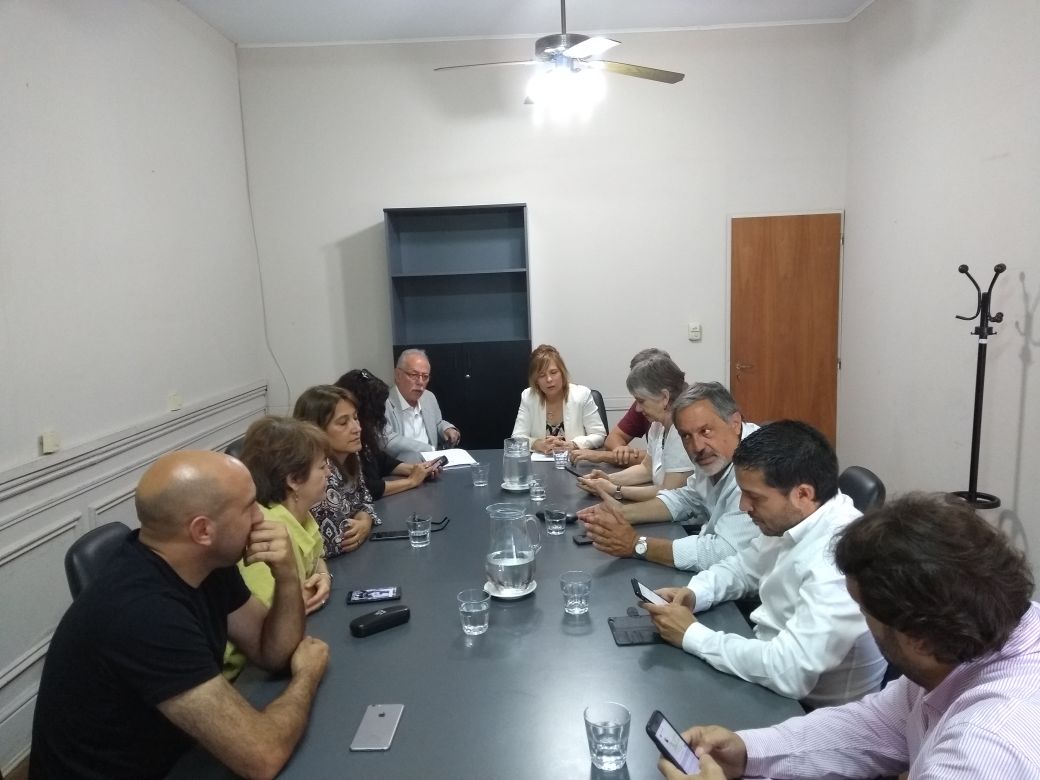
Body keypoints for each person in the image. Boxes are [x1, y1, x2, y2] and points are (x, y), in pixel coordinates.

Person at [656, 494, 1040, 780]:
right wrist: (748, 751)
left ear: (918, 639)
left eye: (863, 611)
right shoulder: (963, 644)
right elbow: (875, 726)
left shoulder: (987, 747)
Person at [30, 450, 329, 780]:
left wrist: (286, 575)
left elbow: (271, 651)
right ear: (203, 531)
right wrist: (306, 677)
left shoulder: (206, 562)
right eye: (249, 507)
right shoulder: (143, 613)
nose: (261, 517)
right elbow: (262, 757)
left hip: (179, 757)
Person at [644, 421, 885, 708]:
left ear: (803, 494)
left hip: (803, 709)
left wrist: (692, 635)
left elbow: (789, 672)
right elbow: (743, 567)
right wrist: (695, 593)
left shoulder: (837, 561)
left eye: (754, 497)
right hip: (764, 667)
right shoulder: (795, 517)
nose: (744, 507)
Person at [579, 382, 760, 572]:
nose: (697, 446)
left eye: (705, 431)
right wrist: (622, 513)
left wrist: (636, 544)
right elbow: (688, 498)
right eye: (686, 436)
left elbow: (722, 552)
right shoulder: (717, 452)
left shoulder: (757, 467)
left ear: (735, 423)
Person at [223, 417, 333, 679]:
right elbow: (270, 626)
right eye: (322, 466)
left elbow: (316, 556)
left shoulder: (300, 515)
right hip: (247, 675)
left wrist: (322, 574)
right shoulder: (266, 533)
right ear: (294, 480)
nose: (329, 472)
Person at [578, 355, 694, 502]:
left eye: (641, 401)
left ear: (665, 397)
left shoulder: (682, 432)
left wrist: (614, 490)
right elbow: (646, 469)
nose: (637, 408)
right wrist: (608, 479)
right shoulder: (657, 426)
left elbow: (669, 492)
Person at [294, 385, 380, 556]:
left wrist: (365, 520)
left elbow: (365, 500)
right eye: (343, 422)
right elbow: (338, 541)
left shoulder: (351, 455)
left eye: (355, 418)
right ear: (316, 429)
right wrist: (363, 523)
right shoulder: (317, 471)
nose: (357, 428)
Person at [336, 368, 439, 499]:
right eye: (343, 422)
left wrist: (417, 470)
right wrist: (411, 481)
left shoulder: (364, 437)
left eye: (355, 418)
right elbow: (365, 488)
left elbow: (381, 460)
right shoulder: (341, 449)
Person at [572, 347, 669, 467]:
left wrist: (604, 456)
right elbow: (613, 438)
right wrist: (620, 450)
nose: (638, 408)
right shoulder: (642, 405)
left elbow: (663, 458)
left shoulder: (683, 412)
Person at [510, 343, 607, 454]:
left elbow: (599, 435)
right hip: (539, 462)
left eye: (553, 372)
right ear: (536, 380)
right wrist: (536, 444)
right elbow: (517, 437)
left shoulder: (582, 395)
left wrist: (573, 444)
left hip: (574, 460)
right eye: (542, 375)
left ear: (562, 373)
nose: (549, 379)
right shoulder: (529, 397)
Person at [383, 349, 460, 458]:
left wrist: (446, 429)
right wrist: (429, 450)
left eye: (425, 377)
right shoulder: (382, 402)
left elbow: (437, 423)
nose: (420, 382)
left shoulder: (429, 397)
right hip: (402, 466)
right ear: (398, 375)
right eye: (414, 375)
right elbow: (387, 440)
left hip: (432, 463)